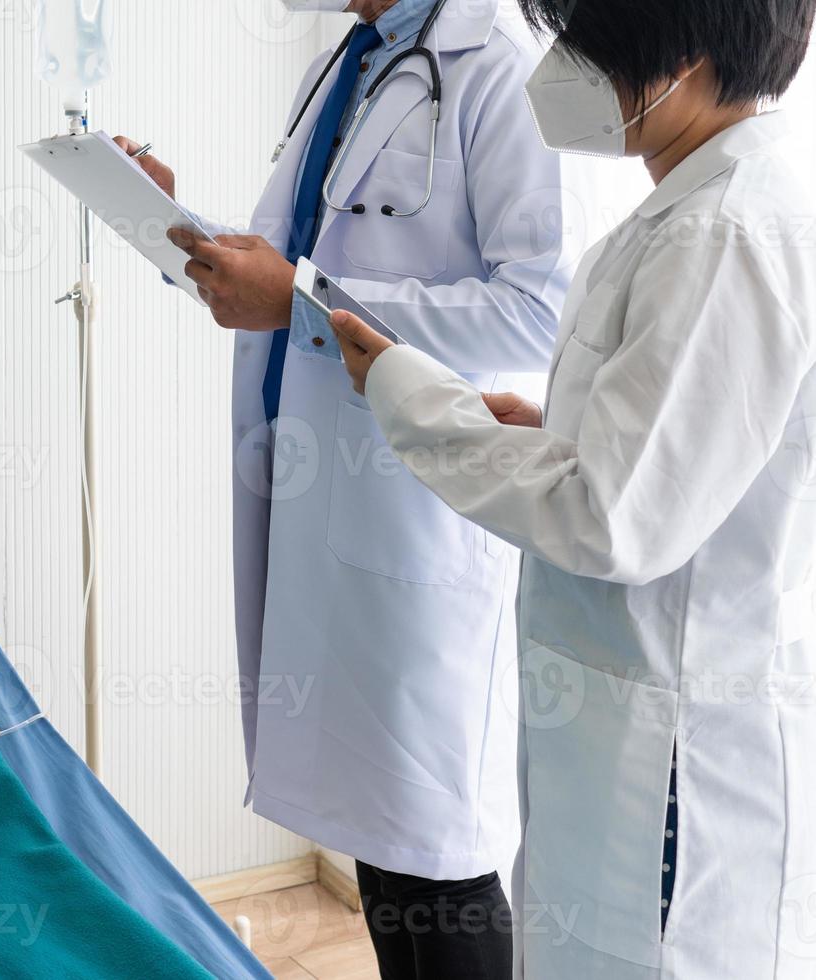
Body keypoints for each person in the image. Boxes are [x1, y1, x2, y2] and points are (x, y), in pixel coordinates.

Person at [325, 0, 816, 974]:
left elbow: (612, 514)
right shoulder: (683, 212)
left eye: (590, 37)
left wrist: (411, 391)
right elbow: (684, 452)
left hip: (677, 763)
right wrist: (559, 431)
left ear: (679, 52)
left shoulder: (723, 233)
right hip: (619, 727)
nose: (565, 63)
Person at [117, 0, 583, 973]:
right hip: (325, 494)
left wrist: (301, 299)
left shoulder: (495, 59)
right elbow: (303, 260)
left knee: (433, 856)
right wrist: (182, 232)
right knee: (380, 836)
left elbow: (539, 309)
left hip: (416, 507)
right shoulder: (356, 58)